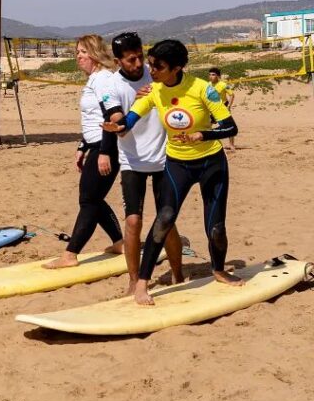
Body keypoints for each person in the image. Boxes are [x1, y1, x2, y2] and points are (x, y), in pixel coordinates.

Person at [103, 39, 240, 305]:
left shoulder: (202, 89)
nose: (150, 70)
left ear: (177, 68)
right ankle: (142, 283)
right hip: (177, 165)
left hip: (211, 163)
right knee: (163, 219)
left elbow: (230, 127)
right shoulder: (154, 91)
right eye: (151, 63)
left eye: (158, 66)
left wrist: (204, 134)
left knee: (216, 228)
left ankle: (219, 269)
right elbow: (132, 118)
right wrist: (118, 128)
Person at [102, 32, 183, 292]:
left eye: (140, 57)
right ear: (118, 62)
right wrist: (139, 103)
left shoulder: (157, 75)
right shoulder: (110, 87)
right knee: (134, 221)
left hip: (163, 157)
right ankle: (133, 279)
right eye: (131, 60)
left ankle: (178, 274)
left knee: (166, 220)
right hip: (132, 161)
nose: (138, 65)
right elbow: (120, 126)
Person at [46, 34, 124, 269]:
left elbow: (113, 117)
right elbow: (92, 119)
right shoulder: (94, 79)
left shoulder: (102, 79)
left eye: (82, 52)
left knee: (88, 201)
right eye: (77, 52)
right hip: (95, 144)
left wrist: (105, 152)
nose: (78, 56)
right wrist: (83, 146)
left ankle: (70, 254)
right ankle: (120, 242)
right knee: (93, 198)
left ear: (95, 53)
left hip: (106, 146)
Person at [208, 67, 236, 151]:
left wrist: (229, 106)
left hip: (222, 108)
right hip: (212, 108)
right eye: (209, 75)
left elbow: (232, 95)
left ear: (218, 76)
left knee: (228, 126)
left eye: (213, 75)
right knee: (207, 126)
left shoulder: (223, 85)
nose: (211, 76)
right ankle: (208, 144)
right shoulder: (208, 85)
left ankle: (231, 145)